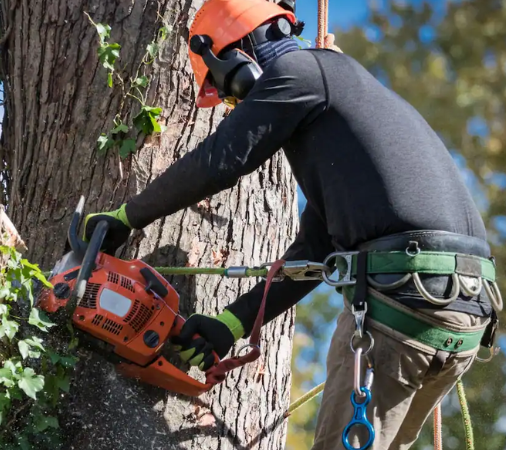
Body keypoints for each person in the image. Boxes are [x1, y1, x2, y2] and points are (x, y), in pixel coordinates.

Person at [82, 0, 501, 448]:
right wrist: (231, 324)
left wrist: (127, 217)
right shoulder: (345, 110)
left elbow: (221, 159)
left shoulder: (300, 73)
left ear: (234, 55)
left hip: (402, 305)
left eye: (227, 92)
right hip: (463, 314)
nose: (235, 104)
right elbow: (314, 252)